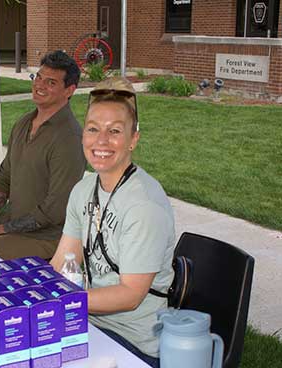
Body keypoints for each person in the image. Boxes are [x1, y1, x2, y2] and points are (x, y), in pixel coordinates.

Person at [49, 77, 176, 367]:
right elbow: (63, 260)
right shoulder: (84, 189)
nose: (101, 141)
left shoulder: (144, 205)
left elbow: (130, 295)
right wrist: (40, 294)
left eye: (115, 131)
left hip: (134, 343)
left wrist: (63, 303)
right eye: (93, 129)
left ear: (133, 139)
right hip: (85, 322)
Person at [0, 50, 86, 260]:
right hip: (11, 223)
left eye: (50, 82)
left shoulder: (69, 138)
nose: (39, 85)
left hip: (45, 238)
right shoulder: (24, 123)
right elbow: (5, 176)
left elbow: (55, 209)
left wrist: (2, 229)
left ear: (69, 90)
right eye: (38, 77)